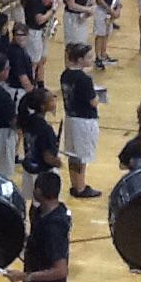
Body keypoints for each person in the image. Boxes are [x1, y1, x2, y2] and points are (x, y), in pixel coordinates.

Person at [60, 43, 101, 198]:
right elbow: (92, 101)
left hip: (70, 117)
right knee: (82, 155)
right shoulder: (84, 79)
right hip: (84, 120)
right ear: (79, 59)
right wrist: (98, 98)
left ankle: (74, 184)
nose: (91, 59)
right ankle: (81, 187)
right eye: (88, 57)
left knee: (73, 154)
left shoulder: (65, 75)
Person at [18, 88, 61, 202]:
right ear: (43, 107)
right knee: (43, 204)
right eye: (51, 100)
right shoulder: (45, 129)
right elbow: (47, 157)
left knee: (34, 202)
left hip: (30, 166)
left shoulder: (28, 120)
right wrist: (58, 162)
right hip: (42, 174)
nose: (54, 102)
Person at [93, 0, 121, 69]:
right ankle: (98, 57)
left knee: (106, 33)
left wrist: (117, 8)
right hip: (101, 10)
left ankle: (104, 54)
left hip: (110, 10)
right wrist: (110, 10)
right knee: (100, 34)